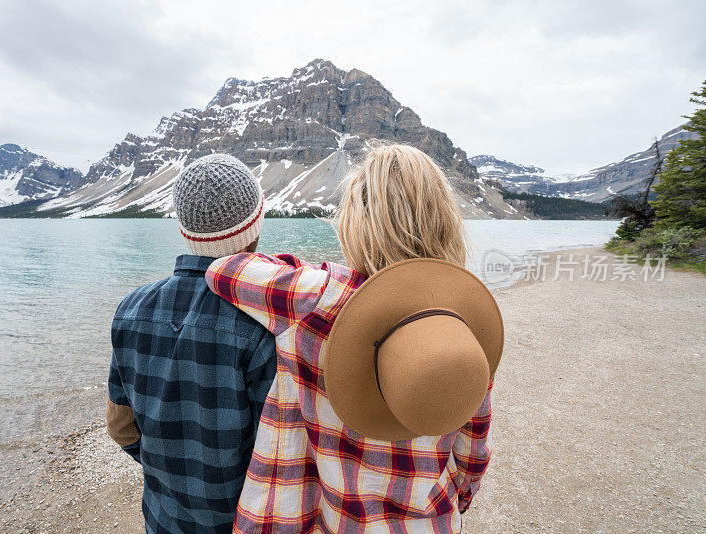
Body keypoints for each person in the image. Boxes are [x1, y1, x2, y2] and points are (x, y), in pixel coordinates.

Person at [205, 144, 504, 532]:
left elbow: (223, 270)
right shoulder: (467, 321)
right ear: (445, 219)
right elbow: (472, 453)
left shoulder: (319, 296)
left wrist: (304, 266)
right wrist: (458, 497)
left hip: (333, 517)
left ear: (358, 223)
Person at [106, 154, 277, 534]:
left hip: (163, 517)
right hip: (241, 521)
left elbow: (120, 427)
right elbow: (277, 448)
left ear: (185, 229)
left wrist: (167, 467)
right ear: (254, 226)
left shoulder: (130, 308)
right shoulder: (264, 322)